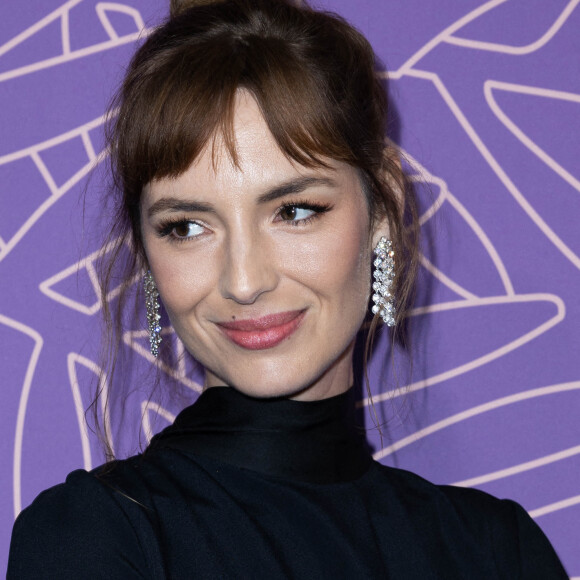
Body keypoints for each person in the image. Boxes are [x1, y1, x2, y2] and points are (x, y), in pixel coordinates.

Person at [7, 0, 568, 577]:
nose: (245, 281)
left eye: (295, 210)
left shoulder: (497, 551)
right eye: (187, 227)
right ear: (148, 255)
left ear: (382, 211)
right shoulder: (95, 537)